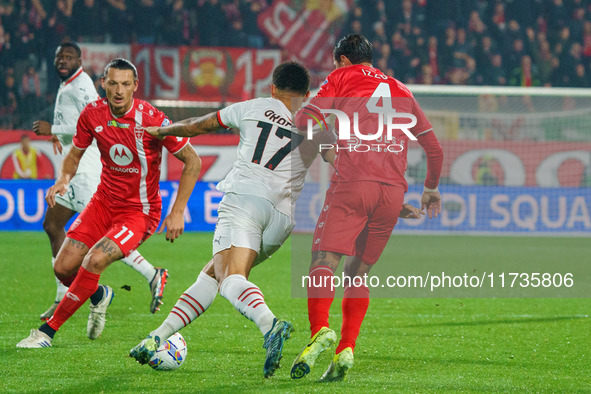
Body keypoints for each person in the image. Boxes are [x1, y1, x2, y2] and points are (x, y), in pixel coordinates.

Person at [127, 61, 424, 378]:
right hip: (282, 219)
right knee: (212, 275)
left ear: (272, 88)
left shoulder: (252, 107)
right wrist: (394, 201)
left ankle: (270, 325)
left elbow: (198, 126)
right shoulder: (316, 123)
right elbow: (347, 165)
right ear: (307, 94)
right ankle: (155, 337)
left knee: (229, 277)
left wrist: (163, 130)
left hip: (246, 201)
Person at [16, 58, 201, 348]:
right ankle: (99, 295)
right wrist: (64, 179)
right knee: (63, 268)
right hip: (103, 203)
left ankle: (46, 333)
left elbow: (193, 160)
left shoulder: (152, 119)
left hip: (139, 212)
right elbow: (74, 155)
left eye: (125, 84)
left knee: (94, 260)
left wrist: (178, 212)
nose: (118, 90)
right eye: (113, 83)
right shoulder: (92, 114)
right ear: (103, 83)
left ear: (135, 86)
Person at [290, 34, 444, 382]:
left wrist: (328, 151)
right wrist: (430, 189)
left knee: (323, 262)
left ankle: (320, 331)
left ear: (342, 60)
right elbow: (434, 150)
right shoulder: (402, 89)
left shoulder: (342, 77)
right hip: (391, 196)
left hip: (352, 183)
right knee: (357, 274)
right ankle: (346, 348)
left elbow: (305, 122)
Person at [32, 43, 169, 320]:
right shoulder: (68, 84)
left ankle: (149, 273)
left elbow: (94, 117)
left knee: (104, 239)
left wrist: (55, 129)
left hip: (92, 168)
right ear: (105, 82)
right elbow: (85, 119)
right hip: (74, 169)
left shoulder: (82, 85)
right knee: (52, 223)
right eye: (60, 56)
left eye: (69, 57)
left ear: (80, 61)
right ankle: (69, 292)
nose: (63, 61)